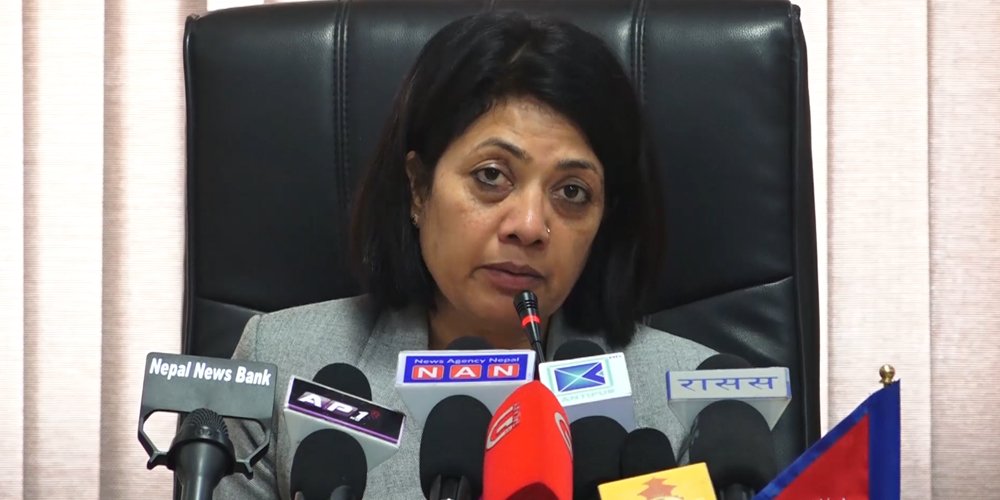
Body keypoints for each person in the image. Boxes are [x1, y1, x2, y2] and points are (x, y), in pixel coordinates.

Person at [215, 10, 714, 500]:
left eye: (572, 192)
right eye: (491, 176)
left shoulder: (694, 404)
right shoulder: (280, 363)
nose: (529, 226)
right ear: (418, 188)